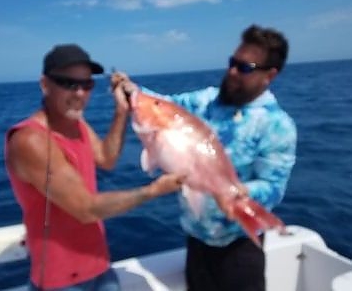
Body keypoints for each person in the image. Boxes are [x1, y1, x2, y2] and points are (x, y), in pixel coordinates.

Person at [112, 24, 297, 291]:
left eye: (244, 68)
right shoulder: (206, 101)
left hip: (239, 249)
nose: (232, 72)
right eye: (233, 62)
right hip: (196, 240)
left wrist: (236, 195)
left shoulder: (278, 125)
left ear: (269, 75)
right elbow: (163, 106)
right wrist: (131, 89)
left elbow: (273, 187)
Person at [5, 44, 185, 291]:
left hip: (100, 268)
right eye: (68, 83)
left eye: (86, 85)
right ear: (44, 84)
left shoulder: (76, 124)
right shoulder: (31, 140)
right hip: (61, 282)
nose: (79, 93)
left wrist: (121, 111)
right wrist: (152, 191)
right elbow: (85, 209)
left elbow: (106, 158)